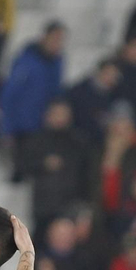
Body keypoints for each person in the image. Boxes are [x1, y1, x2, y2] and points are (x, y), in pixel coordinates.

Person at [18, 97, 96, 232]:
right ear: (47, 115)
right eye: (57, 114)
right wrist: (43, 164)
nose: (60, 118)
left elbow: (87, 175)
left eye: (64, 114)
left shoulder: (79, 142)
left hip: (71, 206)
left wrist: (85, 205)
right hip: (44, 207)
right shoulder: (36, 140)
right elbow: (21, 166)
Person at [0, 22, 66, 146]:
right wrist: (7, 129)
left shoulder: (57, 63)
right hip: (22, 128)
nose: (57, 43)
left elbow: (56, 94)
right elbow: (9, 95)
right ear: (45, 37)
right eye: (55, 38)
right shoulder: (26, 61)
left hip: (44, 129)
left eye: (60, 39)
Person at [65, 58, 123, 143]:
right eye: (108, 73)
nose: (110, 77)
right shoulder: (80, 91)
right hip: (82, 137)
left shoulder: (115, 94)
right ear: (99, 71)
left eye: (114, 75)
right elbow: (81, 119)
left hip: (104, 136)